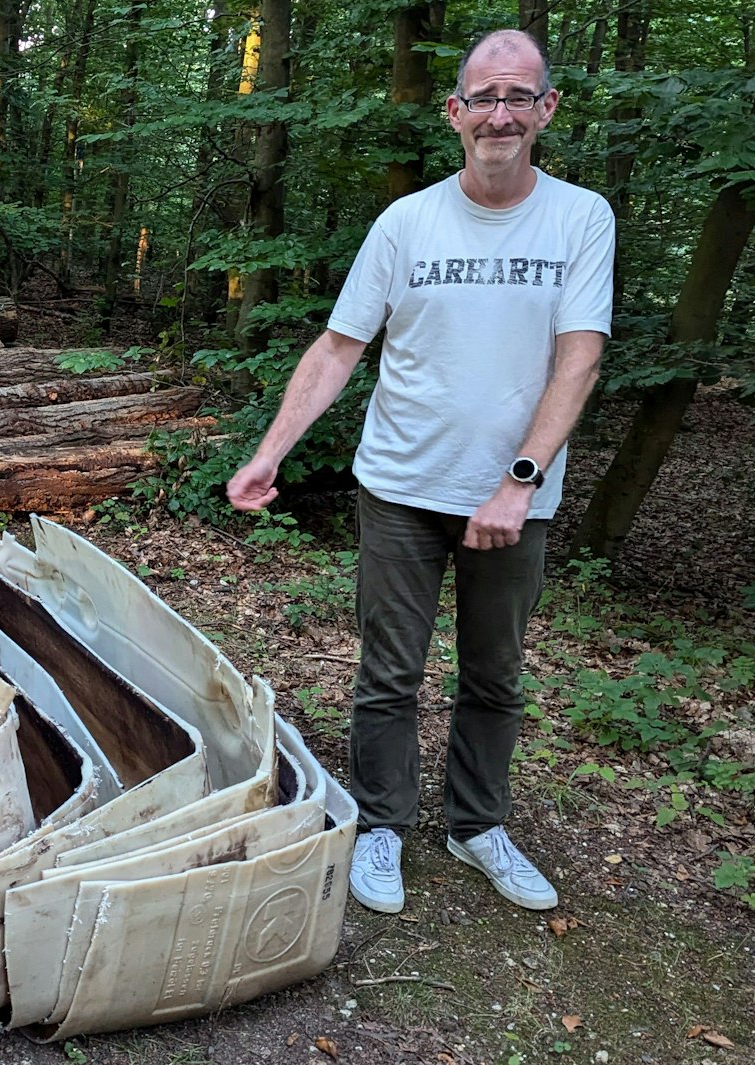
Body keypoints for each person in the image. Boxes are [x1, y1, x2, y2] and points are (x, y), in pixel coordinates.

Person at [225, 29, 614, 914]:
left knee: (495, 673)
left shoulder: (580, 218)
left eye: (520, 96)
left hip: (516, 499)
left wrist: (519, 480)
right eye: (484, 98)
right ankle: (382, 826)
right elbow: (337, 347)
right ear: (456, 114)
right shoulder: (407, 223)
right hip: (400, 486)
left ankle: (478, 825)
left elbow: (579, 358)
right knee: (389, 672)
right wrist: (269, 451)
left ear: (547, 109)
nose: (501, 114)